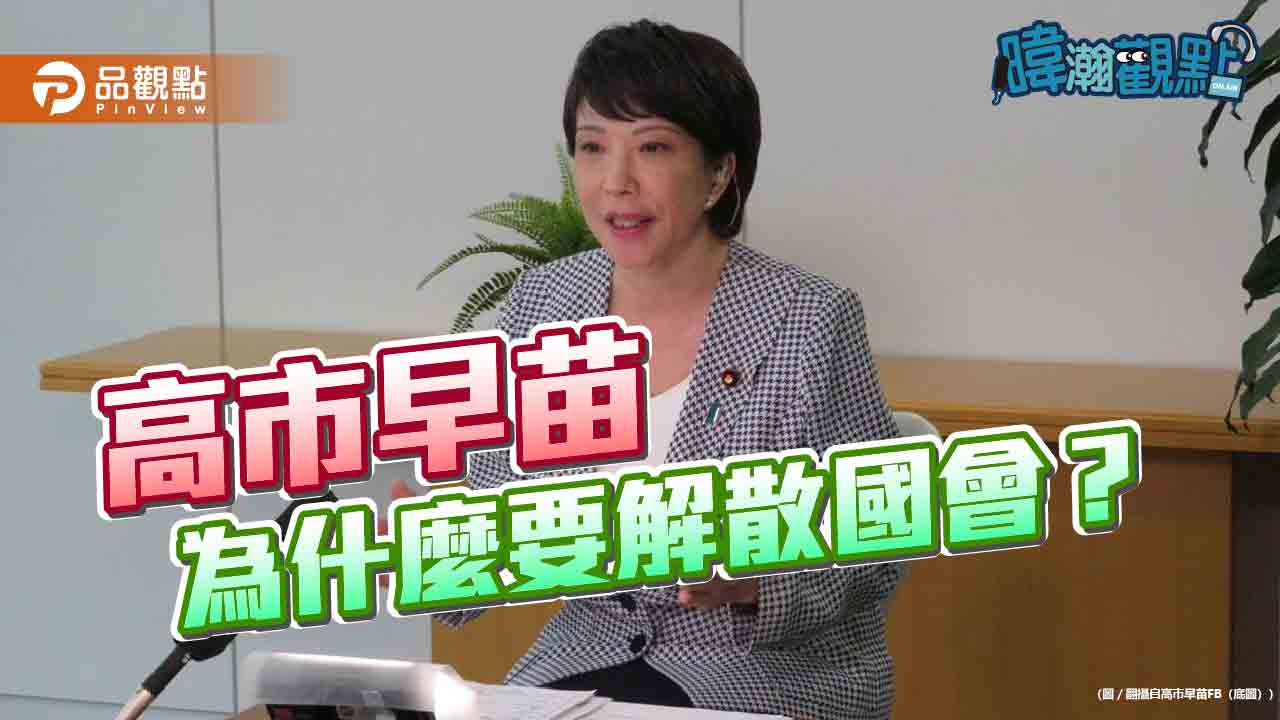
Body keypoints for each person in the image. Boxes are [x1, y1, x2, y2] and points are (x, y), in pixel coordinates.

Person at [432, 19, 904, 720]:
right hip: (585, 660)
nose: (616, 182)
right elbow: (504, 522)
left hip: (762, 670)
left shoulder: (810, 317)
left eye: (652, 147)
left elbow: (880, 539)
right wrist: (418, 550)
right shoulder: (545, 303)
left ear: (719, 174)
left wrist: (756, 586)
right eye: (592, 148)